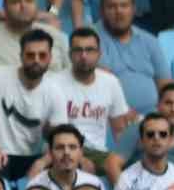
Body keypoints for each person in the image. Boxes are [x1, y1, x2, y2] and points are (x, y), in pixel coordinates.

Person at [0, 28, 61, 181]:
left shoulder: (56, 88)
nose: (36, 60)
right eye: (30, 55)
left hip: (31, 157)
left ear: (50, 58)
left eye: (42, 55)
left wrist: (42, 162)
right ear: (20, 56)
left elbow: (60, 137)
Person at [45, 27, 131, 178]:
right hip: (63, 147)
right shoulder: (54, 83)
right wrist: (80, 156)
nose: (84, 56)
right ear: (70, 55)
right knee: (85, 166)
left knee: (119, 164)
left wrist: (125, 158)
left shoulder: (110, 82)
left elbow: (120, 130)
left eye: (90, 50)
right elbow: (50, 132)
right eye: (78, 50)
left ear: (99, 54)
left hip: (98, 152)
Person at [96, 0, 170, 117]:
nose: (119, 11)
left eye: (124, 6)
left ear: (133, 10)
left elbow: (165, 83)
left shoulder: (150, 40)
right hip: (113, 116)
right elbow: (105, 84)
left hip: (153, 116)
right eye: (112, 7)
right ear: (102, 12)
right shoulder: (93, 39)